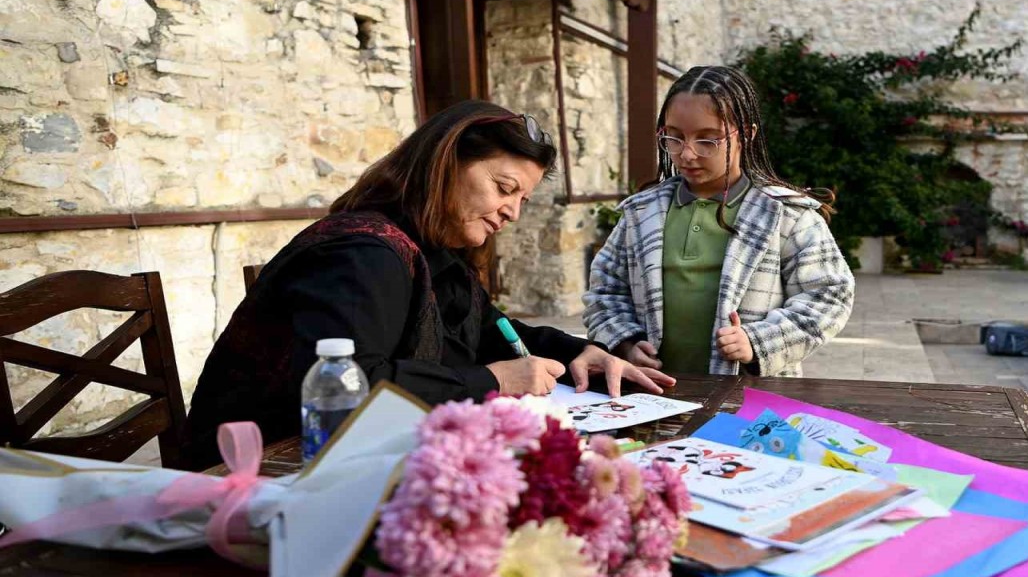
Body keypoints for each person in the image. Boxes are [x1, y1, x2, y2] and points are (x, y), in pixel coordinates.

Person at [184, 101, 673, 469]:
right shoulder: (364, 254)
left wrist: (575, 353)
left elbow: (487, 328)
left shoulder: (432, 250)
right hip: (256, 472)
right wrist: (496, 380)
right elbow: (346, 385)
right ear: (445, 162)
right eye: (504, 188)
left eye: (522, 197)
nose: (513, 212)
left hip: (347, 463)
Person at [583, 66, 855, 377]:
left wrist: (758, 342)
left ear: (747, 135)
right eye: (674, 137)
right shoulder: (640, 214)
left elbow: (830, 295)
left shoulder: (787, 215)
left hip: (752, 400)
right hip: (653, 393)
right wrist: (626, 343)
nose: (686, 154)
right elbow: (604, 291)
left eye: (707, 140)